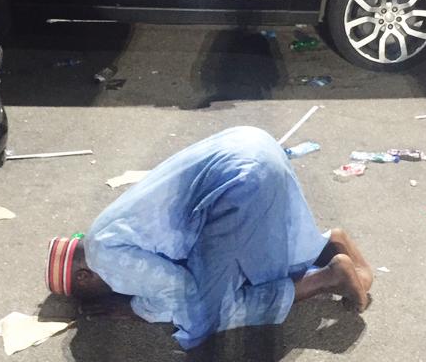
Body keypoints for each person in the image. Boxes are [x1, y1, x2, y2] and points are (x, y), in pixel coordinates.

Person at [45, 127, 372, 350]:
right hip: (251, 144)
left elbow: (180, 289)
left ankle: (327, 279)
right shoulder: (103, 228)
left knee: (206, 313)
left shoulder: (104, 256)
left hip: (239, 180)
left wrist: (137, 308)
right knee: (258, 249)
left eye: (85, 293)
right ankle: (328, 243)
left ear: (84, 275)